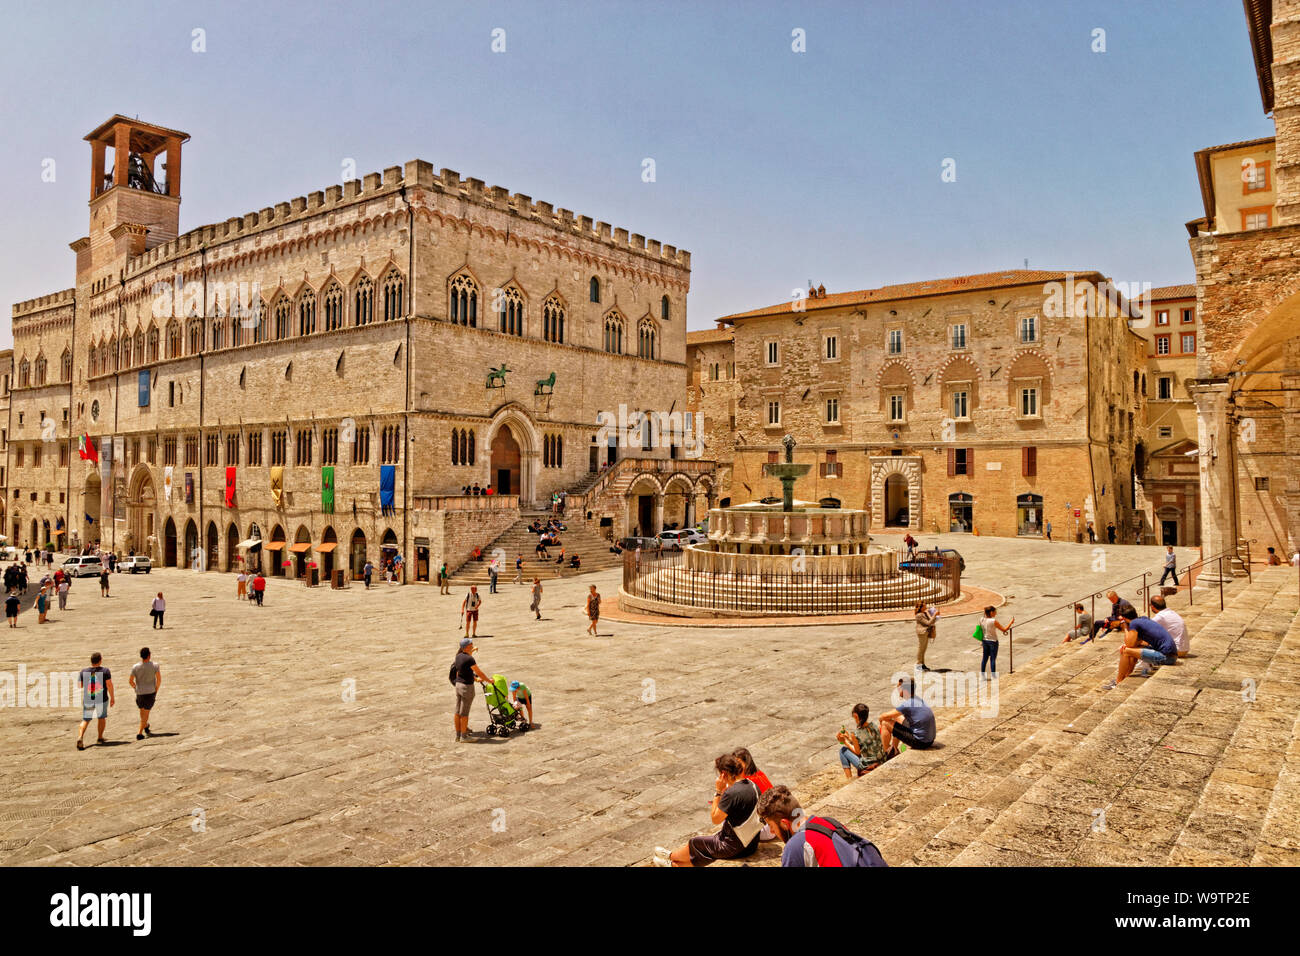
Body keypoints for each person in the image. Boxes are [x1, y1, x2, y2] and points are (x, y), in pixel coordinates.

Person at [654, 754, 762, 867]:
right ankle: (673, 864)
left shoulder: (732, 793)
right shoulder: (753, 786)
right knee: (708, 845)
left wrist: (718, 791)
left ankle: (671, 858)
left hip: (735, 846)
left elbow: (715, 818)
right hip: (751, 844)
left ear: (723, 773)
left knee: (696, 842)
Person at [756, 786, 888, 867]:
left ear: (785, 823)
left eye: (771, 825)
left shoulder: (795, 846)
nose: (772, 831)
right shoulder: (828, 822)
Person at [1102, 615, 1179, 689]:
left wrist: (1125, 627)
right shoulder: (1143, 620)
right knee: (1131, 649)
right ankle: (1126, 676)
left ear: (1124, 619)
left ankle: (1118, 682)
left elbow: (1129, 643)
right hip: (1171, 654)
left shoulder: (1134, 623)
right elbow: (1137, 644)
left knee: (1125, 651)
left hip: (1167, 657)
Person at [879, 677, 936, 756]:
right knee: (898, 718)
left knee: (885, 723)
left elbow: (883, 716)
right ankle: (893, 748)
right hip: (930, 740)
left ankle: (887, 754)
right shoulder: (917, 699)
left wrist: (880, 724)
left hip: (920, 742)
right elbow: (895, 715)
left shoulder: (908, 704)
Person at [449, 637, 491, 741]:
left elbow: (465, 667)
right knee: (464, 713)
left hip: (458, 685)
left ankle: (458, 735)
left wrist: (472, 651)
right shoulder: (469, 659)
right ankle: (464, 737)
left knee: (457, 711)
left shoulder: (458, 656)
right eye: (471, 645)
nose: (472, 645)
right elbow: (479, 672)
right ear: (467, 646)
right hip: (467, 687)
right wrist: (489, 681)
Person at [837, 703, 887, 778]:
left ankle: (849, 779)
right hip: (881, 760)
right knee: (847, 748)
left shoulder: (856, 733)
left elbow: (858, 752)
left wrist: (845, 742)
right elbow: (866, 743)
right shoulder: (873, 725)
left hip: (868, 766)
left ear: (855, 716)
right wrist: (849, 738)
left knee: (843, 750)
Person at [76, 652, 114, 750]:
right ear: (100, 660)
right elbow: (109, 685)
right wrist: (112, 697)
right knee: (101, 718)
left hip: (89, 698)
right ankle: (100, 737)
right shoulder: (105, 671)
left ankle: (80, 737)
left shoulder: (83, 671)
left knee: (86, 719)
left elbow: (79, 685)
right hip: (101, 699)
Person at [129, 647, 161, 741]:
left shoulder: (135, 667)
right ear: (149, 655)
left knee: (142, 711)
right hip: (150, 692)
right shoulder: (155, 665)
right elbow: (159, 679)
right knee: (146, 713)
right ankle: (139, 733)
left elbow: (130, 681)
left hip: (140, 693)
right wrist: (156, 690)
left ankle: (145, 725)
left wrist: (136, 688)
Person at [978, 605, 1013, 678]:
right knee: (993, 659)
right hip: (993, 641)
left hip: (985, 640)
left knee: (984, 659)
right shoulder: (993, 621)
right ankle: (993, 676)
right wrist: (1011, 623)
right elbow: (1004, 629)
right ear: (991, 612)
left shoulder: (981, 619)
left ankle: (982, 676)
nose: (996, 613)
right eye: (995, 612)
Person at [914, 601, 938, 671]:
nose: (926, 606)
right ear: (921, 607)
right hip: (922, 633)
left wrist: (929, 614)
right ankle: (918, 664)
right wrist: (935, 615)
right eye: (924, 606)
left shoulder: (924, 613)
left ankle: (923, 664)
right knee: (921, 649)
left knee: (924, 649)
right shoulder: (919, 615)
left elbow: (932, 621)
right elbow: (928, 623)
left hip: (926, 632)